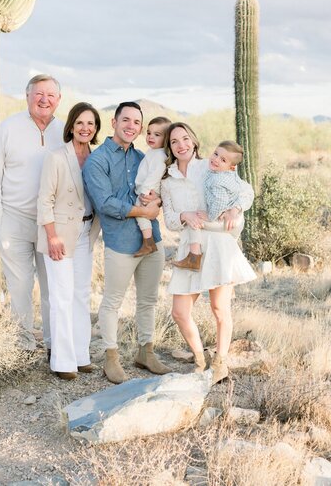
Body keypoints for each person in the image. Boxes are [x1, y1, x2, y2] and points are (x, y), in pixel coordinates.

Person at [160, 123, 257, 384]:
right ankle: (199, 360)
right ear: (169, 147)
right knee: (179, 312)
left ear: (193, 141)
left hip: (216, 244)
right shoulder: (167, 181)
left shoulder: (210, 166)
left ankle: (220, 364)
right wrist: (184, 215)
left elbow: (245, 190)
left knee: (219, 308)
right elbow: (169, 220)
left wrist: (236, 209)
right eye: (174, 141)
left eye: (185, 138)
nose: (181, 145)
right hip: (189, 247)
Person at [83, 101, 172, 384]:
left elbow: (157, 187)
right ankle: (111, 358)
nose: (131, 126)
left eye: (137, 122)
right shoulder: (97, 160)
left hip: (152, 240)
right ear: (114, 122)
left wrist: (156, 200)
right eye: (126, 120)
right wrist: (143, 211)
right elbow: (106, 203)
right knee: (112, 302)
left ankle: (146, 352)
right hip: (121, 242)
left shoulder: (142, 158)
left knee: (148, 300)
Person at [0, 74, 63, 350]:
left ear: (59, 100)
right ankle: (23, 343)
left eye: (50, 95)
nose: (44, 100)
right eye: (38, 94)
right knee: (19, 285)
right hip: (13, 218)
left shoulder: (64, 132)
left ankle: (56, 344)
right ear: (27, 96)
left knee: (52, 285)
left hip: (50, 224)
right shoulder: (9, 128)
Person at [37, 102, 102, 380]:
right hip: (59, 235)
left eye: (90, 124)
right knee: (61, 296)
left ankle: (80, 355)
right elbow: (44, 200)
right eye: (80, 123)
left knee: (81, 294)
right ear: (71, 127)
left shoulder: (97, 159)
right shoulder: (56, 157)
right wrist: (52, 236)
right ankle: (62, 362)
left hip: (87, 233)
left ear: (96, 128)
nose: (85, 128)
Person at [173, 140, 247, 271]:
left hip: (221, 218)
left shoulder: (217, 181)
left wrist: (209, 216)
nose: (216, 160)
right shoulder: (225, 174)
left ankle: (193, 258)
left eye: (223, 160)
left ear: (231, 167)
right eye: (216, 154)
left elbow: (219, 202)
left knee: (194, 220)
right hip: (227, 217)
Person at [132, 116, 171, 258]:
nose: (150, 137)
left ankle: (148, 242)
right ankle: (148, 241)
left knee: (141, 212)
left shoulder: (160, 155)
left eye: (157, 134)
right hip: (147, 188)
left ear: (166, 138)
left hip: (149, 190)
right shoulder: (153, 152)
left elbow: (154, 175)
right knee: (143, 214)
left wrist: (144, 191)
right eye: (149, 133)